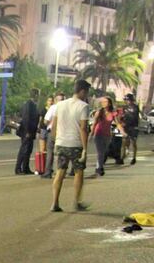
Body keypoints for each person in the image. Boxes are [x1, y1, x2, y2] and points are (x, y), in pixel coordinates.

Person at [49, 80, 91, 212]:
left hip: (61, 143)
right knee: (79, 172)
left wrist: (55, 140)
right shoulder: (83, 106)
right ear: (82, 91)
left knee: (60, 172)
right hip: (75, 144)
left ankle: (55, 202)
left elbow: (54, 124)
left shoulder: (60, 105)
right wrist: (85, 148)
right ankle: (77, 201)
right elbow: (83, 128)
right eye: (87, 92)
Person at [14, 88, 41, 175]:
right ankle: (18, 168)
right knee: (24, 150)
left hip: (31, 131)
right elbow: (27, 119)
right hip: (27, 132)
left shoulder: (32, 104)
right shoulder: (29, 105)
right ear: (35, 95)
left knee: (28, 150)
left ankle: (25, 167)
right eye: (38, 95)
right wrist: (28, 131)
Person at [91, 96, 117, 177]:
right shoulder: (99, 112)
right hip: (98, 134)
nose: (103, 103)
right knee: (100, 152)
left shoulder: (113, 113)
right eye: (102, 102)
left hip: (107, 135)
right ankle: (99, 168)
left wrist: (123, 132)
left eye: (105, 102)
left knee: (104, 152)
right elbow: (94, 123)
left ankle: (99, 166)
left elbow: (118, 123)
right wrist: (91, 134)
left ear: (109, 103)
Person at [42, 91, 65, 179]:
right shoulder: (66, 108)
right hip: (63, 132)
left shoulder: (53, 108)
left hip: (52, 131)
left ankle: (48, 172)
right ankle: (60, 172)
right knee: (61, 153)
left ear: (55, 100)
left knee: (50, 152)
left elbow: (46, 120)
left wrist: (48, 124)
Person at [120, 94, 140, 165]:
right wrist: (121, 120)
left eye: (128, 100)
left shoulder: (135, 107)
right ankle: (122, 156)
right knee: (124, 142)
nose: (127, 101)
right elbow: (121, 116)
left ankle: (134, 158)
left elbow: (134, 116)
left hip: (133, 127)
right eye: (126, 100)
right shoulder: (124, 108)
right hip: (126, 127)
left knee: (133, 142)